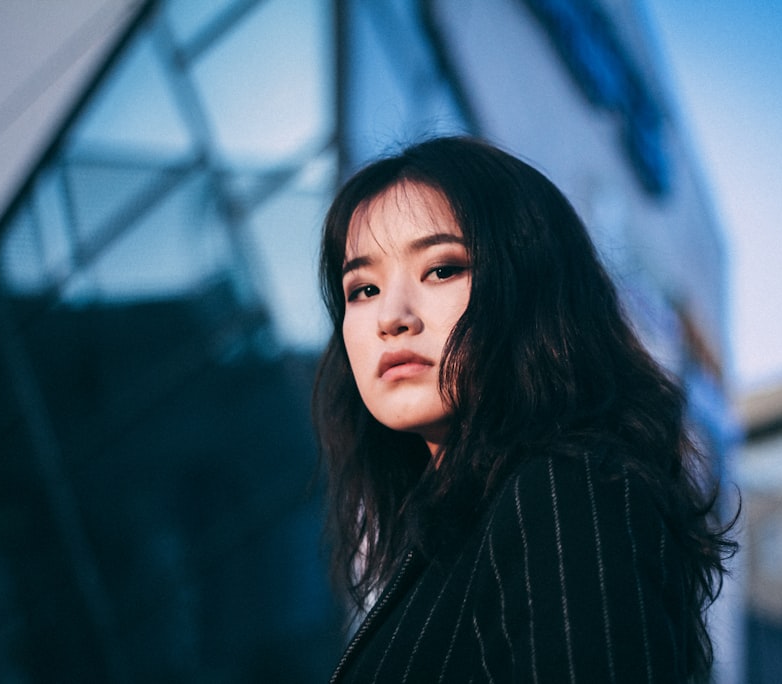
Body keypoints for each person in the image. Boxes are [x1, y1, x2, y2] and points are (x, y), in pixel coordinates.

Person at [314, 136, 736, 683]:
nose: (391, 317)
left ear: (530, 288)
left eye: (442, 269)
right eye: (363, 288)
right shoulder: (450, 533)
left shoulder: (568, 491)